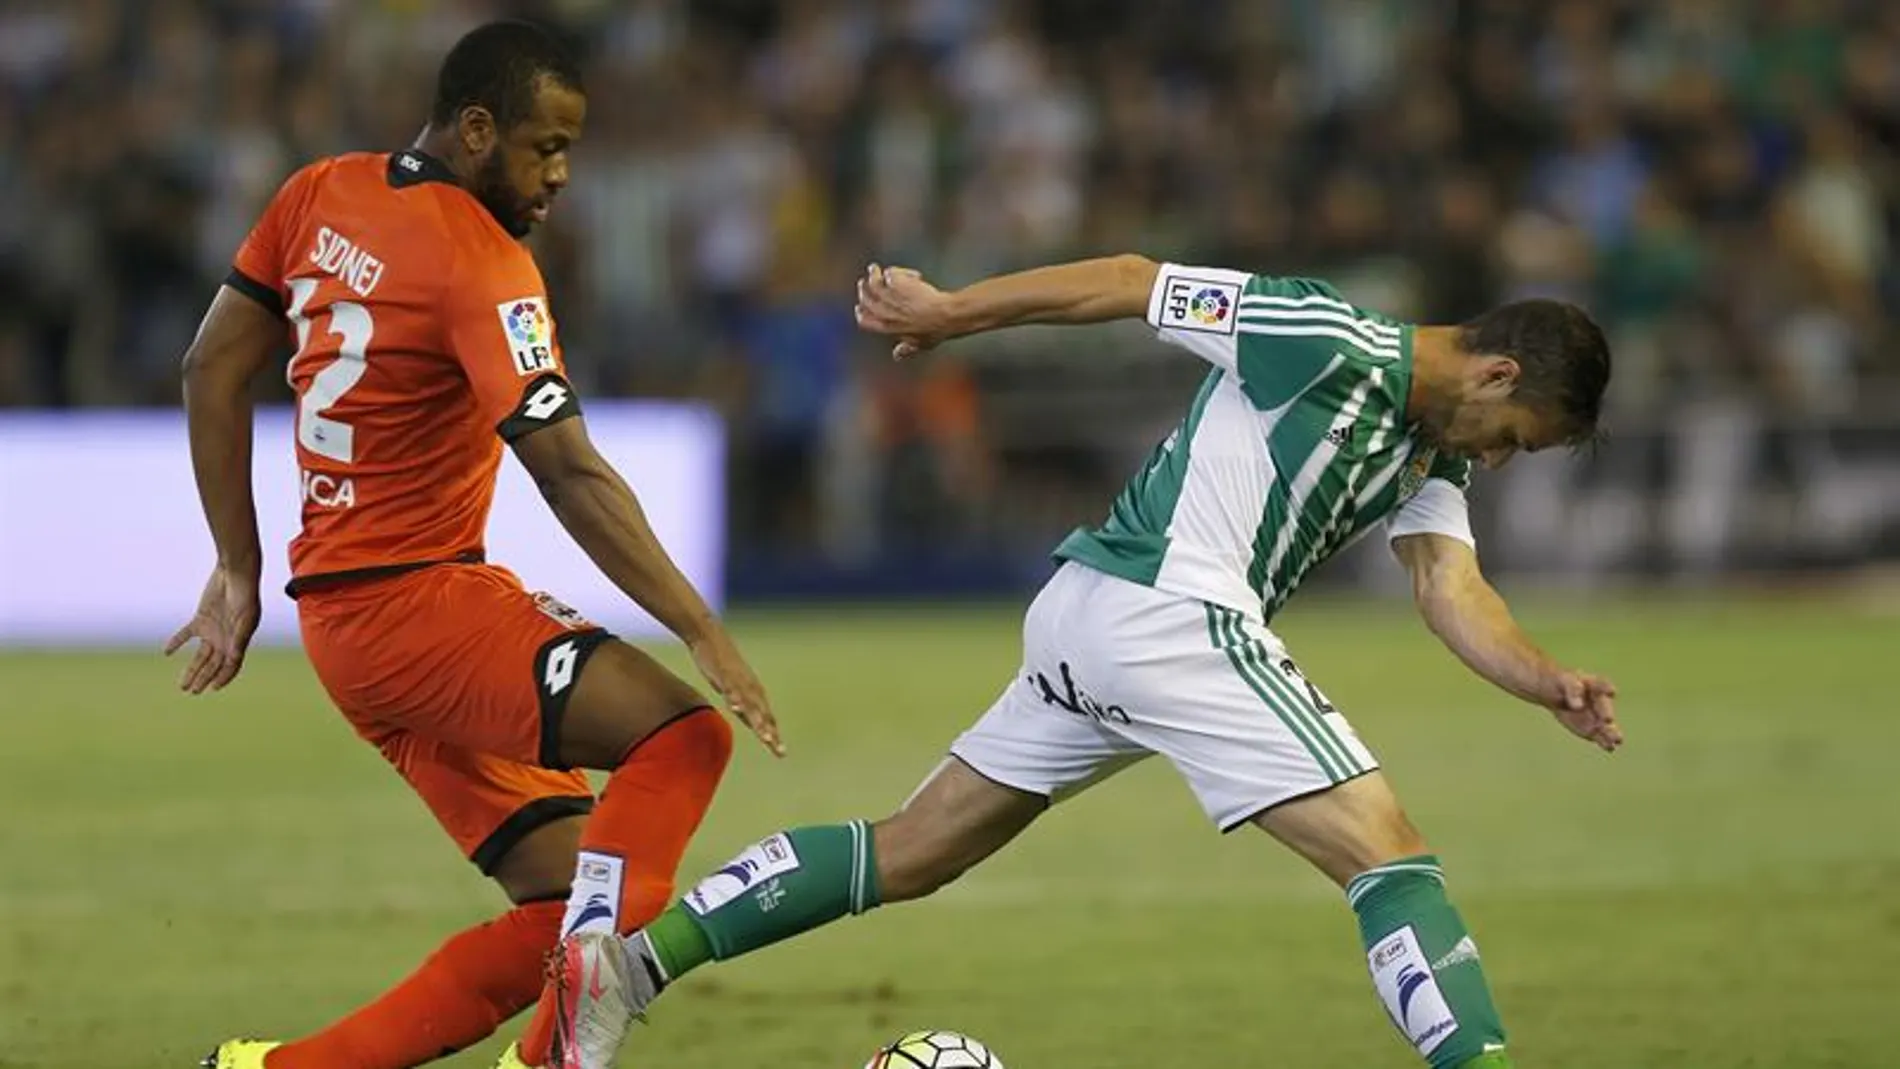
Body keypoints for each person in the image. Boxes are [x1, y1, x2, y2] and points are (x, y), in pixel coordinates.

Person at [524, 255, 1623, 1069]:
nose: (1498, 456)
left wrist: (1544, 678)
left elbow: (1449, 587)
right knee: (1391, 859)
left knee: (913, 850)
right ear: (1495, 371)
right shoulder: (1326, 334)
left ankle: (622, 968)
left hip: (1090, 618)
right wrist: (953, 312)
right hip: (1168, 613)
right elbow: (1137, 284)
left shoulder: (1431, 445)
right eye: (1513, 435)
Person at [169, 21, 782, 1069]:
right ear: (476, 128)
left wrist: (240, 566)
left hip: (345, 623)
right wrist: (699, 628)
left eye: (571, 152)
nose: (559, 177)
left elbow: (208, 369)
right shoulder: (481, 262)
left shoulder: (318, 193)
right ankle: (558, 1058)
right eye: (545, 148)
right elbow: (569, 469)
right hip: (419, 607)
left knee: (567, 901)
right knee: (685, 738)